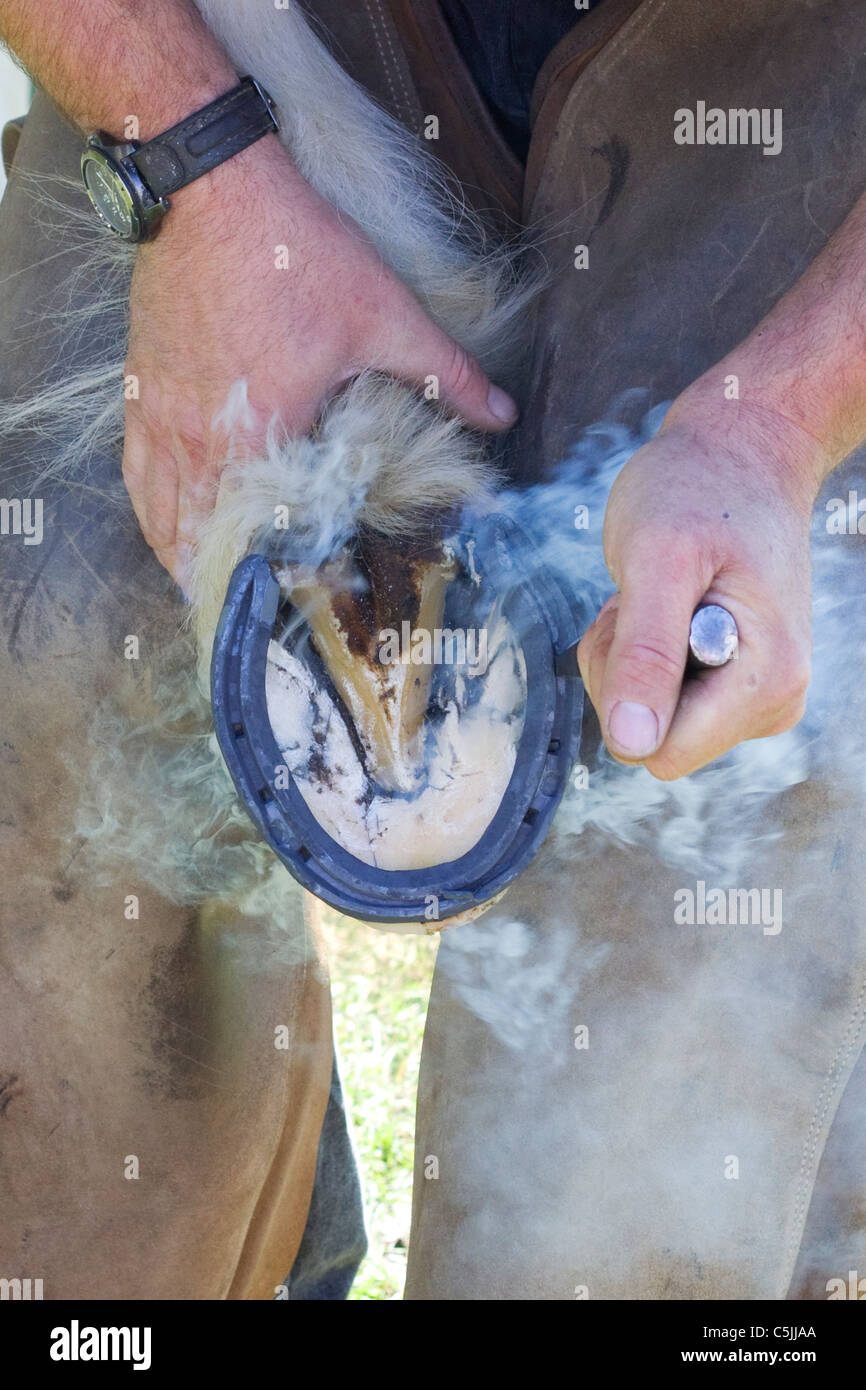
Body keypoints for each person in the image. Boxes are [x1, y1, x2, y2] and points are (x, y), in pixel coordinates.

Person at [1, 0, 864, 1300]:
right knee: (60, 711)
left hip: (790, 90)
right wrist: (183, 159)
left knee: (642, 1116)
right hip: (260, 31)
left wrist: (785, 423)